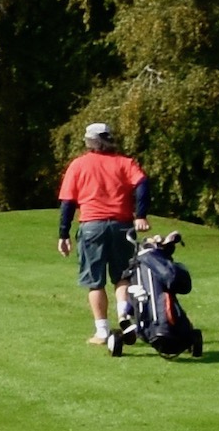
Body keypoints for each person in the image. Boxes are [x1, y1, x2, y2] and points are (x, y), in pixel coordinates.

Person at [56, 122, 151, 349]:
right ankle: (124, 315)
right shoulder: (125, 163)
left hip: (92, 227)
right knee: (122, 276)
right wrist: (141, 214)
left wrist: (63, 233)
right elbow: (142, 184)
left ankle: (102, 331)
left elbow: (68, 202)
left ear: (89, 142)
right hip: (122, 225)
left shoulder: (78, 165)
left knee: (94, 281)